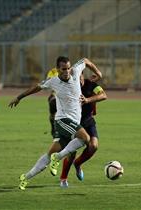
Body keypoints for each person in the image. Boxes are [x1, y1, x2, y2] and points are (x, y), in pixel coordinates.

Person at [8, 56, 102, 190]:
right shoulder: (53, 81)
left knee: (48, 155)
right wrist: (19, 97)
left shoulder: (75, 70)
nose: (67, 71)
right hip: (63, 120)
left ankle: (26, 177)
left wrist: (98, 72)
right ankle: (57, 158)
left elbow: (86, 60)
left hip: (72, 122)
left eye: (68, 68)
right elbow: (36, 87)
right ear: (57, 69)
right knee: (85, 138)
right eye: (64, 69)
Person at [59, 73, 107, 188]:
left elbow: (103, 95)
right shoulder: (69, 87)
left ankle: (78, 163)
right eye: (74, 79)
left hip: (88, 121)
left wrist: (88, 100)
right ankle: (63, 179)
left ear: (82, 76)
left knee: (93, 146)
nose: (77, 81)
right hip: (74, 123)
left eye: (79, 78)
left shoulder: (91, 84)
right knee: (72, 152)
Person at [46, 67, 58, 136]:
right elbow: (48, 81)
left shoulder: (67, 70)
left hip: (60, 97)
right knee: (53, 114)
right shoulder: (53, 71)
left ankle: (55, 129)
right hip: (54, 97)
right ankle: (54, 128)